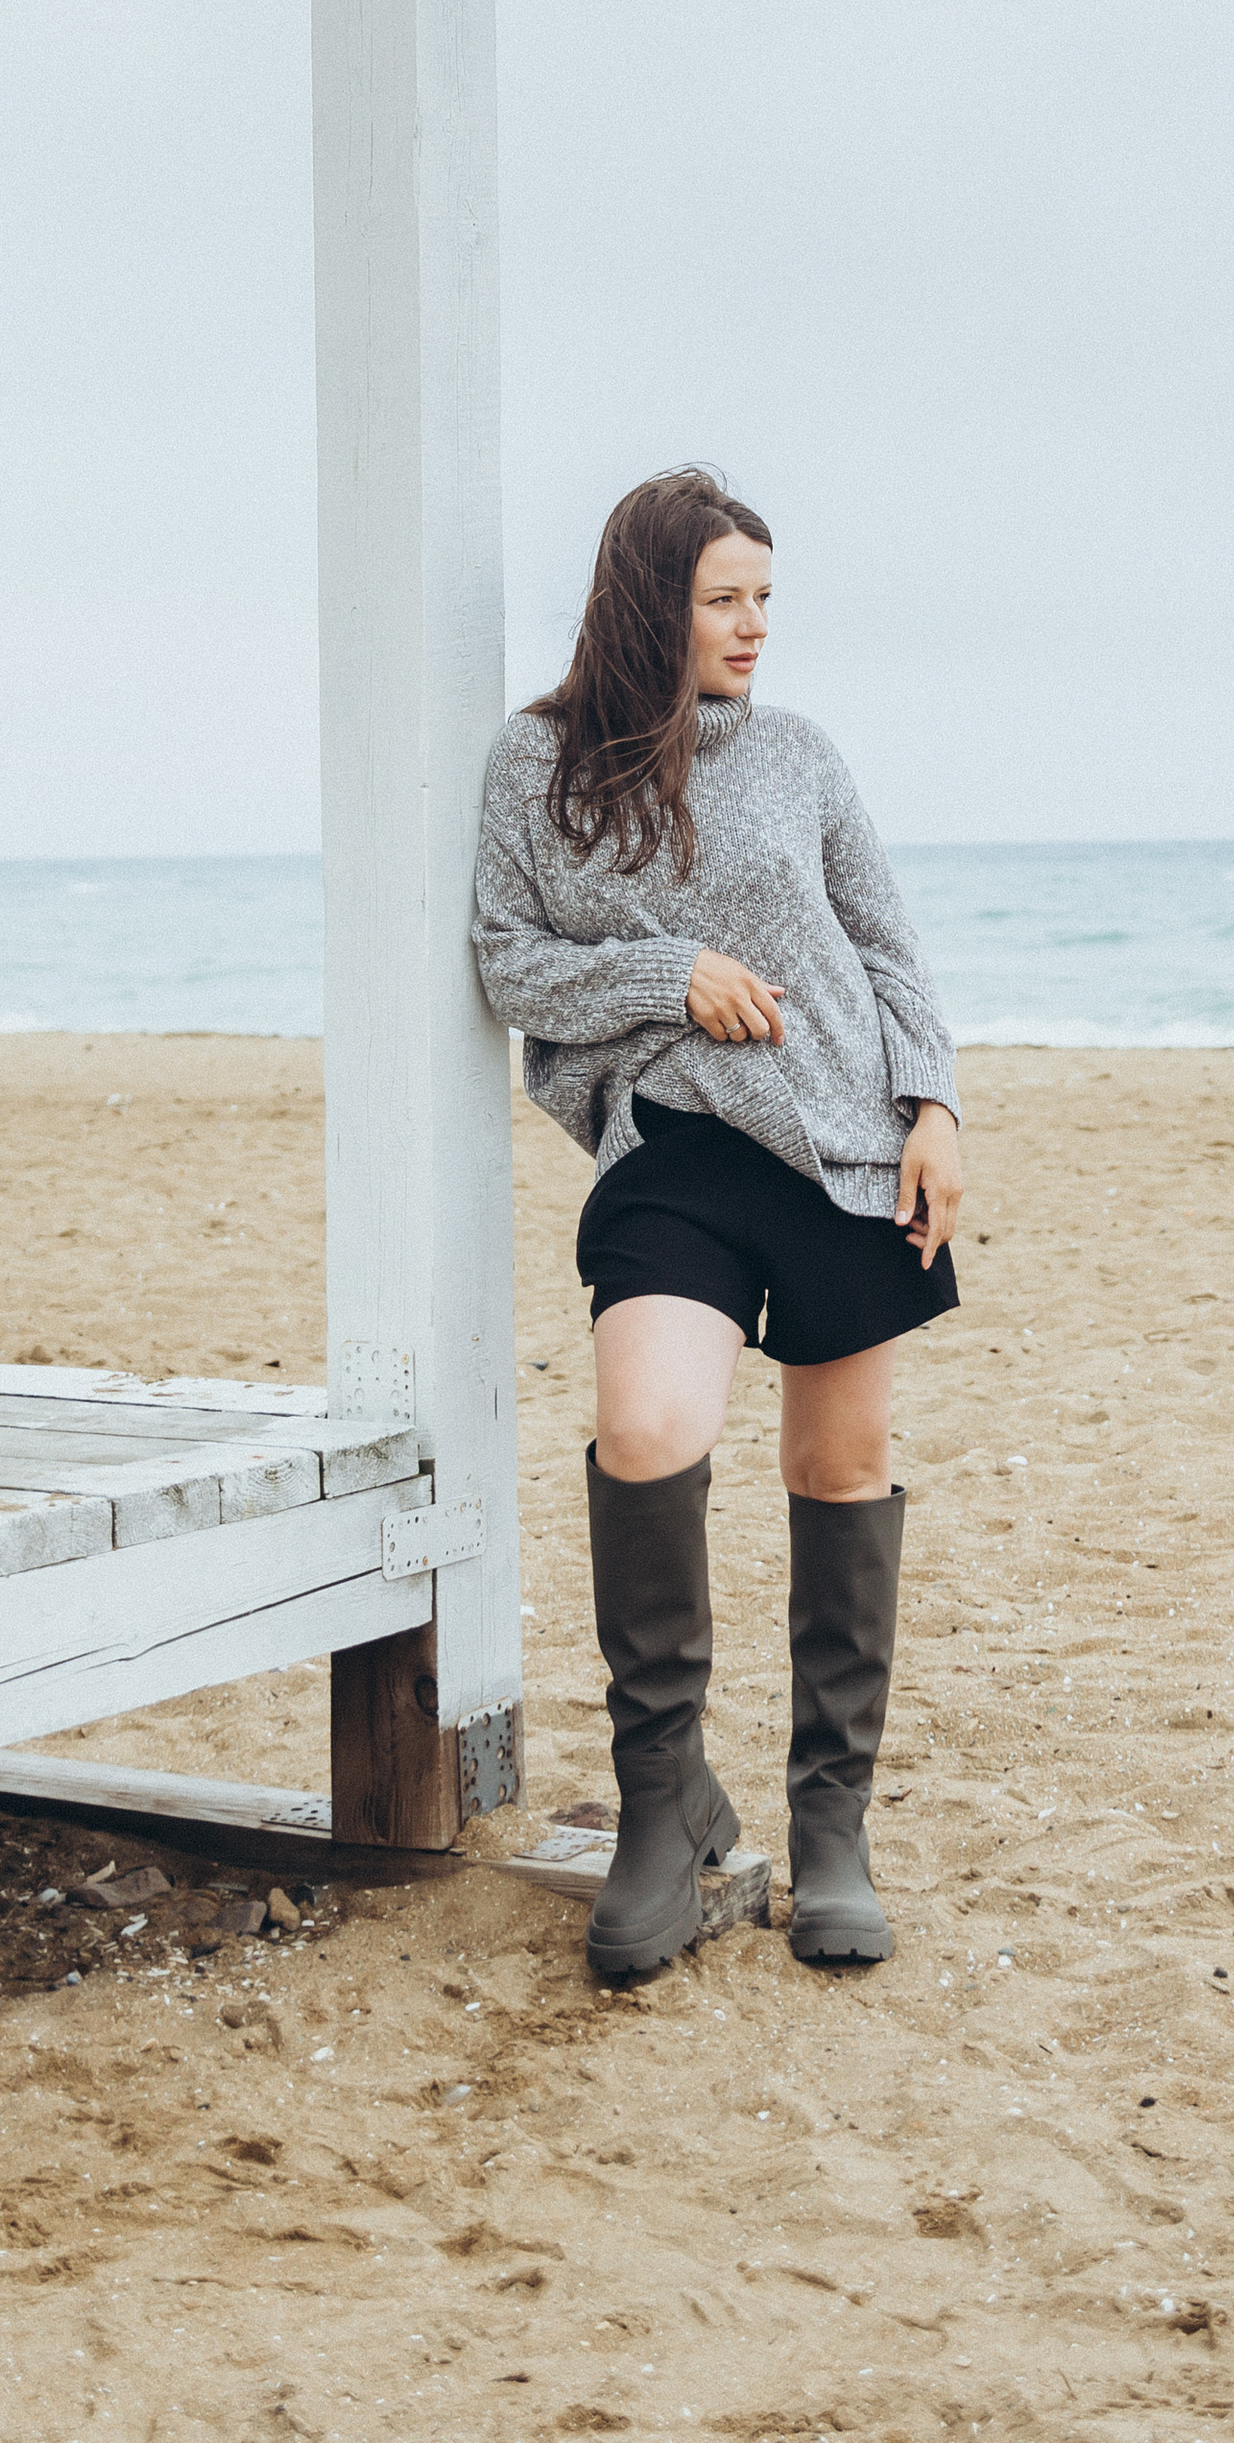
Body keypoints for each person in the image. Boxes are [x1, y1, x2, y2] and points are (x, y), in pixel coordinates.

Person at [473, 468, 965, 1980]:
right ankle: (660, 1807)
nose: (754, 628)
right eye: (723, 599)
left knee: (840, 1465)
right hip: (676, 1155)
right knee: (646, 1428)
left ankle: (831, 1834)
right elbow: (508, 961)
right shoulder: (541, 766)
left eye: (765, 599)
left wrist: (934, 1107)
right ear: (651, 603)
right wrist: (664, 973)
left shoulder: (802, 757)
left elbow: (885, 945)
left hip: (843, 1148)